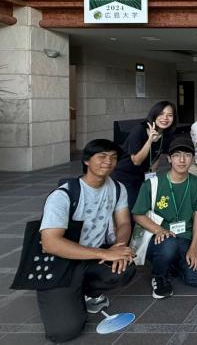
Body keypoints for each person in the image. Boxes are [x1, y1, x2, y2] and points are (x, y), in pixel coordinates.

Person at [37, 139, 136, 343]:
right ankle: (65, 295)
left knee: (124, 266)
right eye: (102, 156)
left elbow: (124, 223)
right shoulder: (63, 195)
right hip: (60, 263)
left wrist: (119, 247)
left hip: (91, 258)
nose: (108, 161)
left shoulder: (117, 188)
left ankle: (87, 292)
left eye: (113, 157)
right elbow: (50, 243)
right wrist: (105, 253)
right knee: (65, 331)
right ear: (86, 161)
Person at [132, 136, 197, 299]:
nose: (182, 160)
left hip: (184, 239)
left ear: (193, 158)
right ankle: (159, 276)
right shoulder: (152, 184)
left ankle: (172, 264)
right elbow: (138, 214)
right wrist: (159, 230)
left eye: (187, 155)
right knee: (169, 245)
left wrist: (194, 247)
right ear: (169, 158)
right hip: (158, 239)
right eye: (176, 155)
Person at [112, 100, 177, 211]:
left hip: (142, 175)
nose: (165, 118)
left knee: (145, 205)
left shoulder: (166, 135)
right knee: (131, 207)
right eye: (161, 114)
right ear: (154, 114)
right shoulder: (139, 130)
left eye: (169, 115)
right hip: (124, 174)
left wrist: (152, 177)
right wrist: (150, 140)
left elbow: (157, 156)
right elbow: (136, 161)